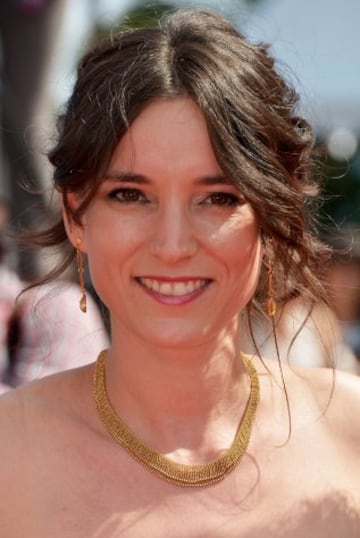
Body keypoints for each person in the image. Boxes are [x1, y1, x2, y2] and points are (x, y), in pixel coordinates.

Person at [0, 8, 359, 537]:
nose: (173, 245)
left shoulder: (350, 436)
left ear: (272, 211)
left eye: (216, 198)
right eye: (131, 195)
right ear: (77, 215)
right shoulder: (10, 455)